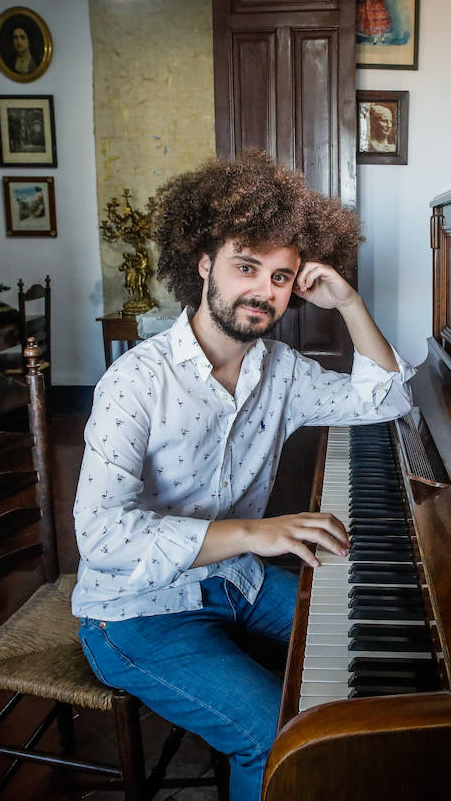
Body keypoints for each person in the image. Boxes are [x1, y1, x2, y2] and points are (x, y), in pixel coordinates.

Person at [72, 150, 414, 801]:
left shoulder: (281, 371)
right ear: (204, 264)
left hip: (235, 584)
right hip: (135, 613)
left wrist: (346, 299)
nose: (263, 290)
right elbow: (104, 537)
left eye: (282, 276)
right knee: (272, 732)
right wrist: (254, 533)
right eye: (246, 266)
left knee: (364, 637)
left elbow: (386, 401)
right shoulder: (134, 382)